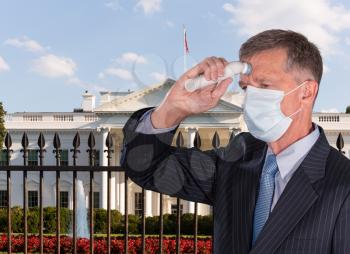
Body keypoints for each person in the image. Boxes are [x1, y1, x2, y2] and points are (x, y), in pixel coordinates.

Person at [120, 29, 350, 253]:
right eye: (245, 87)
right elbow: (147, 168)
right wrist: (173, 108)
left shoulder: (343, 184)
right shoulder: (236, 158)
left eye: (264, 85)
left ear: (306, 92)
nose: (250, 97)